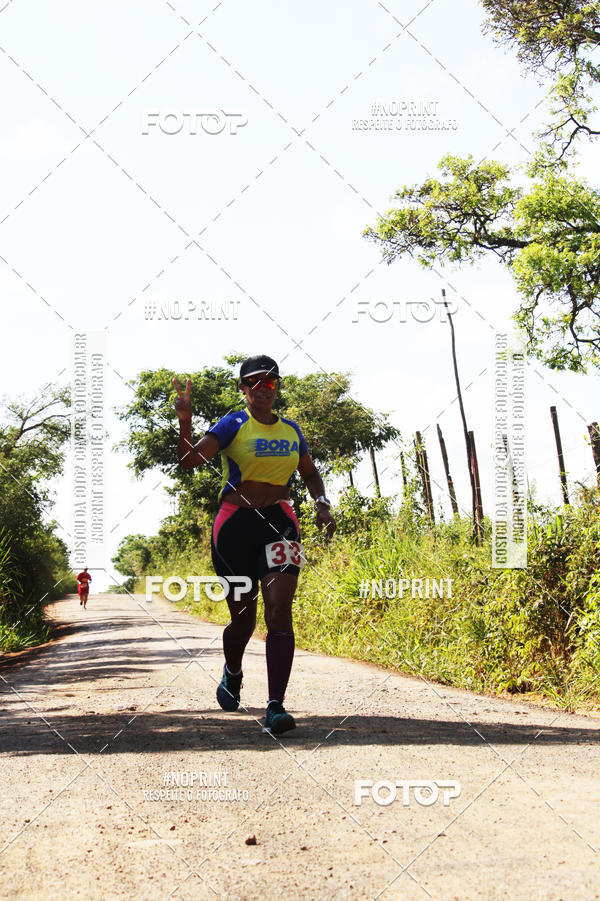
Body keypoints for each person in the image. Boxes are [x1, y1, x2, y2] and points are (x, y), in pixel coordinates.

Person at [173, 354, 336, 735]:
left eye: (271, 382)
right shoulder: (233, 424)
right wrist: (185, 422)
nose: (264, 387)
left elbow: (311, 475)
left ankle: (275, 706)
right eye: (256, 382)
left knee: (279, 611)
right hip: (234, 529)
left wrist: (322, 504)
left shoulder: (292, 432)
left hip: (280, 523)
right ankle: (233, 672)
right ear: (244, 388)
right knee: (243, 619)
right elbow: (188, 461)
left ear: (276, 388)